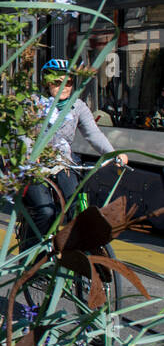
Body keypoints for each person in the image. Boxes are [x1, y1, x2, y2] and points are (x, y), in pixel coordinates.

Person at [19, 59, 127, 246]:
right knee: (46, 211)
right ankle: (33, 260)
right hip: (35, 167)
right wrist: (28, 155)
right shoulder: (34, 104)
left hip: (63, 163)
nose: (65, 87)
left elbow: (93, 134)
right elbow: (22, 134)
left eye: (68, 82)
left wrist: (112, 153)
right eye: (58, 83)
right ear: (47, 83)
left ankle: (68, 254)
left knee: (74, 206)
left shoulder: (78, 106)